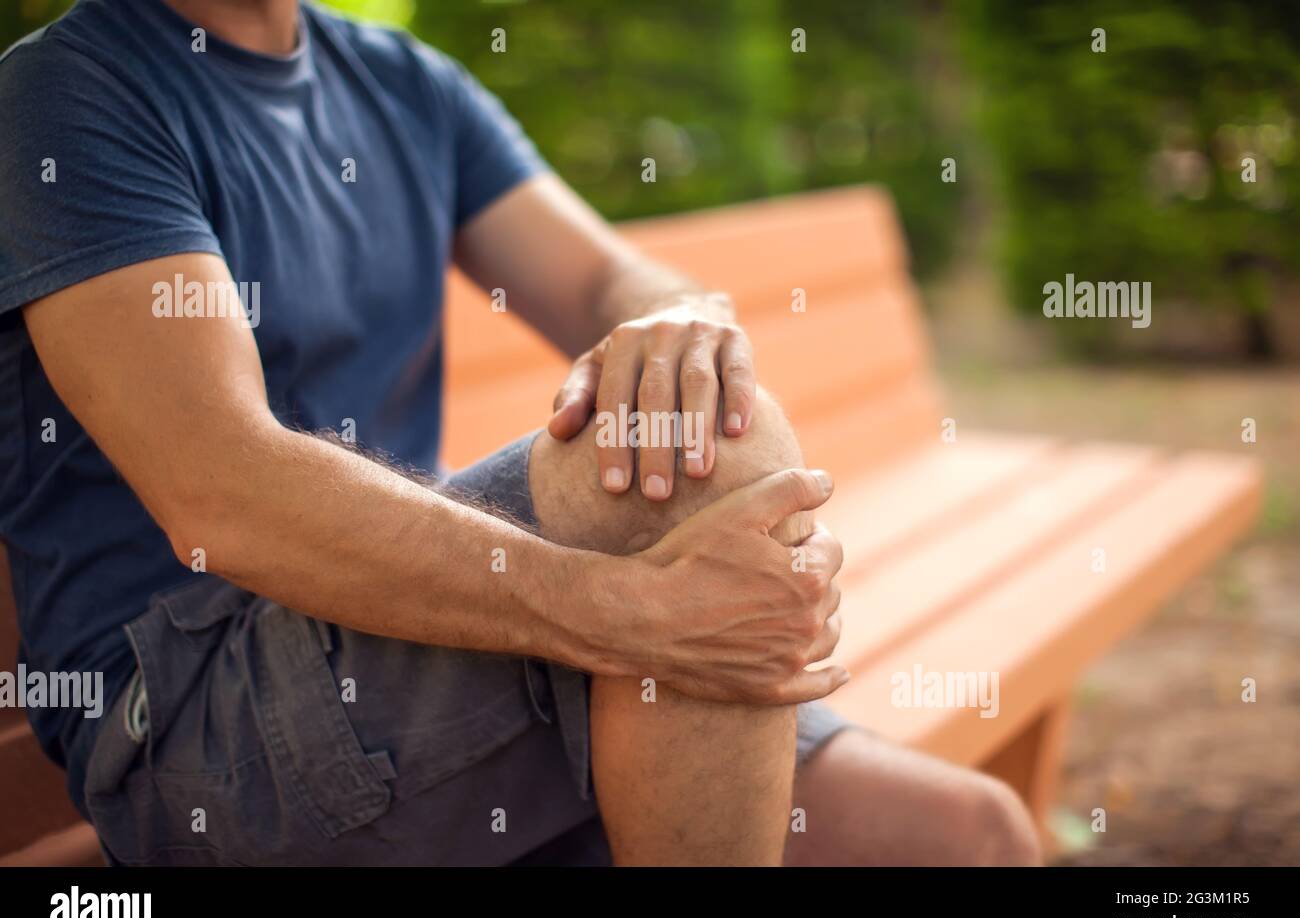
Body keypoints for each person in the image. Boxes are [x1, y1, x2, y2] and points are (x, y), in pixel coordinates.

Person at [0, 0, 1039, 865]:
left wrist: (680, 322)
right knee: (694, 465)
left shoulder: (403, 84)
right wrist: (626, 615)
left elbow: (598, 276)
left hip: (435, 649)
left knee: (970, 836)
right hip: (199, 721)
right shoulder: (66, 99)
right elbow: (222, 492)